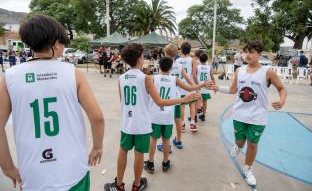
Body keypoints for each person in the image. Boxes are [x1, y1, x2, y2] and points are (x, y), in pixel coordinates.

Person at [0, 14, 105, 191]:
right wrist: (97, 146)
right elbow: (97, 118)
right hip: (73, 171)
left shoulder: (10, 77)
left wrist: (8, 167)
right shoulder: (72, 73)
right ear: (55, 44)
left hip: (33, 176)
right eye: (63, 43)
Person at [104, 43, 200, 191]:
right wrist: (183, 100)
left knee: (123, 151)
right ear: (140, 59)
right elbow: (160, 101)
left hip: (127, 122)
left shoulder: (121, 78)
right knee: (139, 153)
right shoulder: (146, 78)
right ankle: (136, 185)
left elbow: (122, 101)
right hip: (141, 123)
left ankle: (119, 184)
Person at [210, 40, 287, 186]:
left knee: (252, 144)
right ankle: (238, 146)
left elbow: (282, 89)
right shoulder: (240, 71)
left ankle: (247, 169)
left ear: (259, 54)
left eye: (251, 52)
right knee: (240, 142)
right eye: (246, 51)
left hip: (258, 117)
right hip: (239, 115)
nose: (247, 55)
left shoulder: (268, 72)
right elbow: (233, 90)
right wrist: (217, 87)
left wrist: (281, 101)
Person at [144, 57, 210, 173]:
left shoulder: (153, 79)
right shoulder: (174, 79)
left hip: (155, 114)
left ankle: (150, 163)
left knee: (153, 139)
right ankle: (165, 162)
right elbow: (189, 87)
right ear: (170, 68)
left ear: (159, 66)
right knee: (166, 139)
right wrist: (201, 85)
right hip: (168, 115)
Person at [163, 44, 196, 149]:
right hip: (177, 95)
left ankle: (165, 144)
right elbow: (188, 78)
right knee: (177, 120)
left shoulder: (163, 65)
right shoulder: (179, 65)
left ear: (165, 53)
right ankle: (178, 140)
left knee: (165, 121)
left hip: (166, 96)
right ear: (176, 53)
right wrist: (195, 87)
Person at [176, 42, 198, 132]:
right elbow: (194, 74)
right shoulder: (192, 60)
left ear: (181, 50)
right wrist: (197, 85)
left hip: (180, 85)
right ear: (190, 50)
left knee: (182, 105)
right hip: (189, 85)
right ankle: (192, 124)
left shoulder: (177, 61)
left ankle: (182, 125)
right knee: (192, 105)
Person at [193, 53, 215, 121]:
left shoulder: (197, 67)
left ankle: (195, 116)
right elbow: (212, 77)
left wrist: (197, 85)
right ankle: (203, 115)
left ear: (199, 59)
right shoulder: (209, 67)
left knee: (196, 101)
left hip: (199, 86)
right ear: (206, 60)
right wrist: (214, 85)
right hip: (206, 87)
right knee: (205, 101)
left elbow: (195, 77)